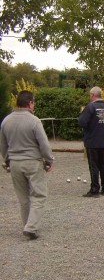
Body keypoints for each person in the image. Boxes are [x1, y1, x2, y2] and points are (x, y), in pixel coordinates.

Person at [0, 90, 55, 240]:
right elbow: (43, 143)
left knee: (23, 198)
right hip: (32, 162)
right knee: (39, 194)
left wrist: (7, 160)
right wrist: (49, 160)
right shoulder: (34, 121)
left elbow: (3, 145)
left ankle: (27, 225)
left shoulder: (6, 121)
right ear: (30, 103)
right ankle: (31, 227)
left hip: (15, 163)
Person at [78, 86, 104, 197]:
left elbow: (82, 122)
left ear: (93, 95)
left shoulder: (90, 107)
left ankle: (94, 189)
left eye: (90, 95)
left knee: (93, 165)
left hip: (92, 140)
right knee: (103, 164)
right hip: (103, 140)